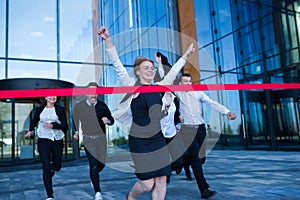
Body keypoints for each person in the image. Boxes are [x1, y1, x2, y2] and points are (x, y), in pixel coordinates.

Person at [98, 25, 194, 200]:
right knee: (147, 184)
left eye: (151, 67)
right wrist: (108, 40)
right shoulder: (131, 86)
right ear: (137, 71)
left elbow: (173, 73)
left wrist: (186, 56)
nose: (150, 70)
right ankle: (131, 195)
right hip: (140, 141)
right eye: (146, 68)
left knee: (162, 181)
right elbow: (117, 64)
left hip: (158, 139)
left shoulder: (159, 88)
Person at [176, 73, 237, 199]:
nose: (187, 84)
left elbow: (212, 103)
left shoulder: (198, 93)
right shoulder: (178, 94)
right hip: (187, 130)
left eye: (189, 81)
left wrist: (227, 112)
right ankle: (203, 189)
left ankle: (185, 160)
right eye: (185, 82)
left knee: (201, 159)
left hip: (200, 129)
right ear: (180, 84)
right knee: (196, 159)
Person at [73, 82, 114, 200]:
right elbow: (75, 121)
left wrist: (108, 120)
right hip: (88, 139)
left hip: (101, 139)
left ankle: (93, 177)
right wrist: (76, 132)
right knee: (94, 164)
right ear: (86, 94)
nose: (93, 94)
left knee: (102, 163)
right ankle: (97, 192)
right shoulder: (79, 106)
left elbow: (111, 119)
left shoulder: (102, 105)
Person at [25, 96, 68, 200]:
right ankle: (50, 195)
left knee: (57, 166)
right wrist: (31, 130)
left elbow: (65, 126)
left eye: (54, 95)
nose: (53, 97)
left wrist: (53, 125)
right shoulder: (39, 109)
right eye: (50, 95)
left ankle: (54, 168)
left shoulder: (60, 109)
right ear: (45, 97)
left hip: (57, 140)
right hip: (43, 140)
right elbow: (34, 121)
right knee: (46, 167)